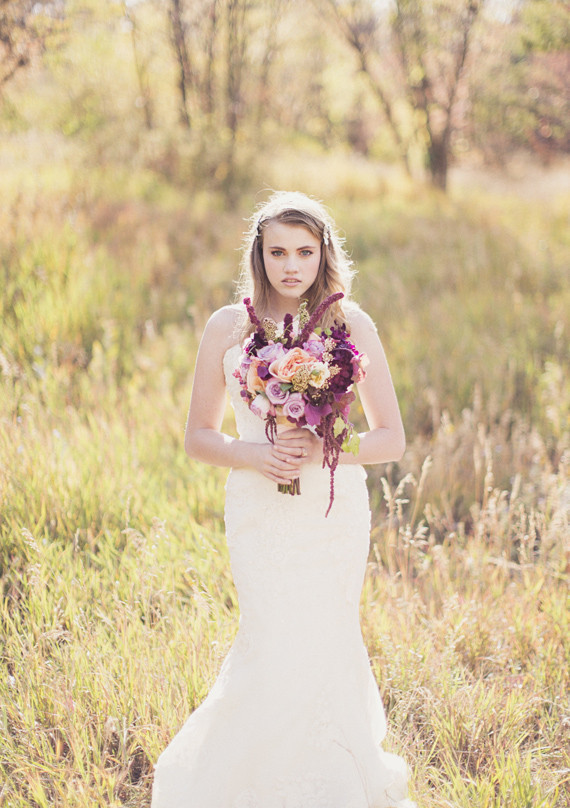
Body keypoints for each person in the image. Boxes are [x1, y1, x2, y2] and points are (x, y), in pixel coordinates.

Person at [151, 191, 415, 808]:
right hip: (260, 510)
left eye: (304, 251)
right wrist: (252, 453)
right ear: (258, 255)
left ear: (323, 253)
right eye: (277, 252)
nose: (291, 265)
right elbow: (198, 437)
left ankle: (334, 779)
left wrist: (327, 447)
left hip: (330, 512)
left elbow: (392, 439)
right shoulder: (228, 326)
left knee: (326, 638)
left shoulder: (349, 325)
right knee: (270, 639)